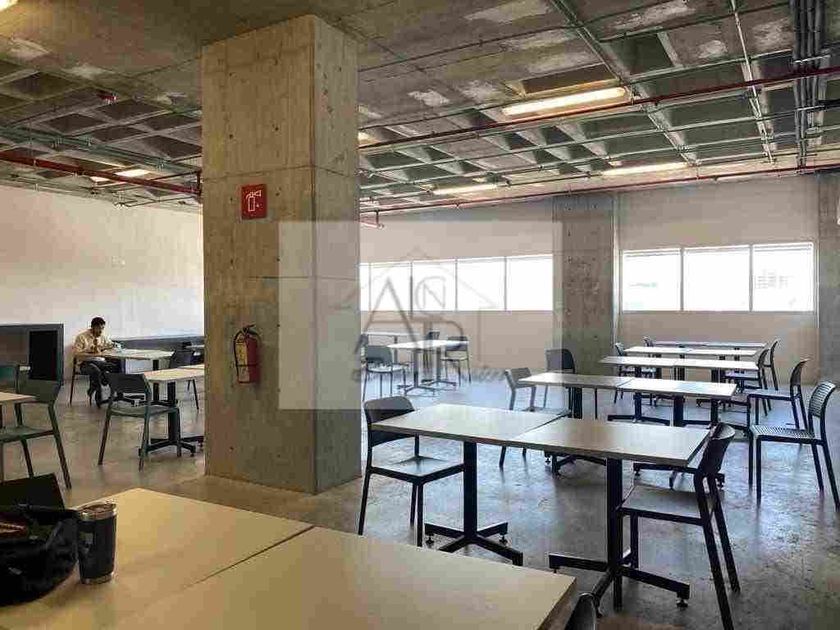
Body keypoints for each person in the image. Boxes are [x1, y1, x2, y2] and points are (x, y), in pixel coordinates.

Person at [74, 317, 120, 406]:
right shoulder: (81, 337)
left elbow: (114, 346)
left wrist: (113, 346)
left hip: (100, 362)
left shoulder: (103, 337)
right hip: (85, 363)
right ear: (92, 327)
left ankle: (96, 387)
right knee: (96, 371)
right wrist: (89, 350)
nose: (101, 331)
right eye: (99, 328)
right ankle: (99, 397)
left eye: (102, 328)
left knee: (115, 367)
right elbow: (76, 354)